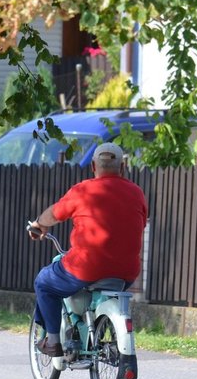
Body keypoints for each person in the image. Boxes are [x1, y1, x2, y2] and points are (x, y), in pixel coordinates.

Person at [27, 142, 147, 358]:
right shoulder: (137, 193)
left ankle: (53, 341)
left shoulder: (83, 191)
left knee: (44, 282)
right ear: (122, 168)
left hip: (85, 267)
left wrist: (39, 224)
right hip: (126, 272)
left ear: (93, 166)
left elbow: (53, 214)